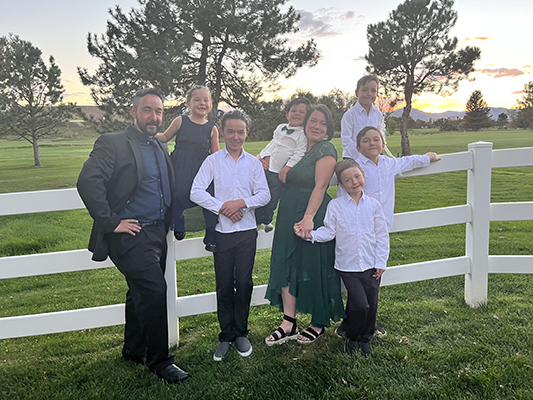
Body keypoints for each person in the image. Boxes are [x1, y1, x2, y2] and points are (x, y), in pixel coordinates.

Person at [77, 88, 189, 384]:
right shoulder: (113, 143)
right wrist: (111, 222)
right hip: (130, 234)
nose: (154, 117)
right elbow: (88, 181)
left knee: (139, 292)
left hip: (156, 233)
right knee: (154, 291)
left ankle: (133, 350)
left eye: (159, 111)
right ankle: (161, 362)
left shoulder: (158, 145)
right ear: (133, 111)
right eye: (148, 110)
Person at [334, 126, 440, 340]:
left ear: (383, 144)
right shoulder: (354, 169)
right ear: (357, 147)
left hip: (378, 231)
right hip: (357, 230)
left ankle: (369, 324)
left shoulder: (389, 164)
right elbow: (343, 194)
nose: (372, 143)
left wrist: (427, 158)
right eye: (366, 140)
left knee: (373, 279)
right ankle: (350, 323)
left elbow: (408, 162)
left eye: (376, 139)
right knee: (356, 278)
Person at [190, 110, 270, 361]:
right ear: (222, 132)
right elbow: (196, 191)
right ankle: (226, 335)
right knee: (224, 283)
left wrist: (241, 204)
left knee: (244, 282)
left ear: (247, 133)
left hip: (246, 232)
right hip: (223, 232)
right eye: (231, 131)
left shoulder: (254, 164)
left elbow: (264, 195)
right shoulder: (213, 161)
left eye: (241, 131)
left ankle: (241, 332)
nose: (236, 136)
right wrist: (223, 207)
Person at [265, 104, 345, 346]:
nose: (317, 126)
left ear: (328, 128)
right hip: (288, 209)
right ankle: (288, 322)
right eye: (313, 121)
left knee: (313, 264)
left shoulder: (325, 150)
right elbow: (276, 166)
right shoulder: (297, 144)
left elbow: (320, 186)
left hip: (313, 209)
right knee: (286, 262)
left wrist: (309, 217)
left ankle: (318, 322)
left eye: (322, 123)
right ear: (306, 123)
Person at [295, 159, 389, 356]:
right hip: (348, 266)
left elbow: (381, 235)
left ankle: (366, 338)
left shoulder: (373, 205)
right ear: (341, 184)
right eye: (348, 179)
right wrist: (311, 235)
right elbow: (330, 232)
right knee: (359, 305)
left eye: (357, 176)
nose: (354, 182)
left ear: (363, 175)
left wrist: (381, 262)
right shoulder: (336, 206)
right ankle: (352, 336)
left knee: (371, 305)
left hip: (372, 265)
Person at [156, 85, 220, 252]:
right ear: (188, 104)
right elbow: (164, 137)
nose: (202, 103)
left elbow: (215, 154)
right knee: (179, 193)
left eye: (206, 100)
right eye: (197, 99)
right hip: (180, 167)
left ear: (211, 104)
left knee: (210, 196)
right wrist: (145, 133)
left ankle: (211, 232)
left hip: (202, 170)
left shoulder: (212, 128)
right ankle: (179, 222)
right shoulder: (180, 121)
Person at [255, 97, 310, 232]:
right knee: (258, 196)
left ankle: (267, 221)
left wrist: (287, 168)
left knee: (272, 200)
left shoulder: (303, 134)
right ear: (287, 114)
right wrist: (261, 156)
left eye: (301, 112)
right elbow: (273, 144)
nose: (297, 113)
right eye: (293, 110)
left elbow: (298, 153)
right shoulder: (280, 128)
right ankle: (256, 222)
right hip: (265, 168)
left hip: (278, 173)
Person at [340, 75, 386, 161]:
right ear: (357, 93)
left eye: (373, 91)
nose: (369, 94)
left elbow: (381, 136)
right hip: (352, 158)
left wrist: (374, 153)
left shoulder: (378, 115)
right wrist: (363, 157)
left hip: (373, 158)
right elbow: (347, 140)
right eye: (364, 90)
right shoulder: (349, 115)